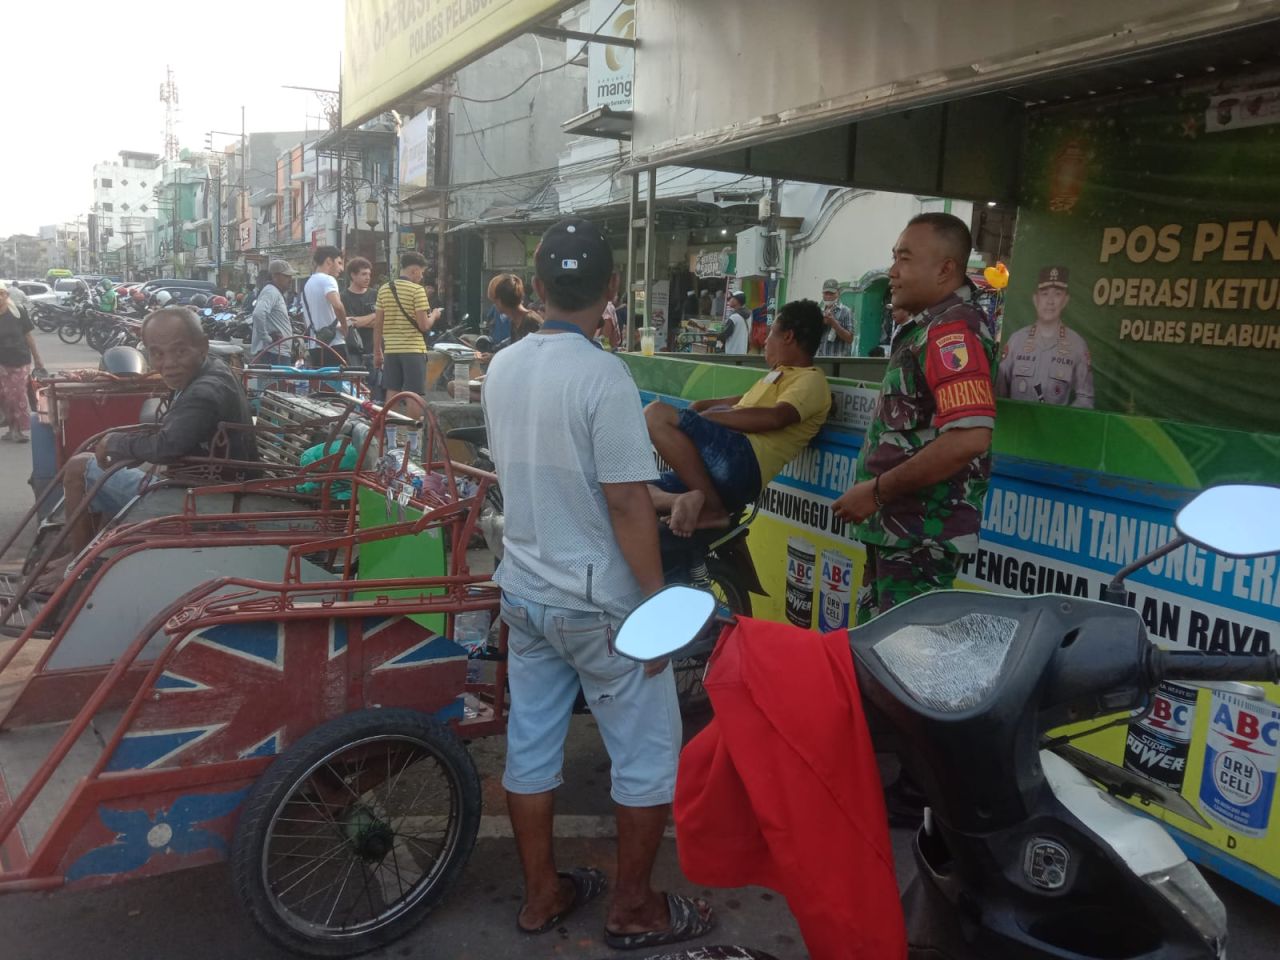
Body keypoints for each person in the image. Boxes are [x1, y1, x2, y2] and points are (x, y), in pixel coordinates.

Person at [482, 217, 715, 950]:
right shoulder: (604, 376)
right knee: (646, 756)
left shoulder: (503, 366)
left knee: (531, 746)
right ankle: (634, 908)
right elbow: (618, 500)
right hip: (599, 606)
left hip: (524, 592)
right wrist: (655, 613)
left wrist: (661, 499)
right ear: (612, 291)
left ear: (540, 289)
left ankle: (542, 894)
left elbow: (572, 481)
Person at [833, 212, 996, 623]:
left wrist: (876, 492)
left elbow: (969, 438)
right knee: (875, 660)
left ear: (945, 269)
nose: (892, 271)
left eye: (904, 259)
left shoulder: (953, 334)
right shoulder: (929, 329)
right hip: (898, 534)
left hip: (920, 538)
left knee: (901, 670)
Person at [36, 308, 258, 584]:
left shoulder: (204, 391)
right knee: (97, 469)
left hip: (203, 499)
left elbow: (166, 447)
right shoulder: (208, 370)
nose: (169, 363)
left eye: (179, 351)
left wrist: (114, 442)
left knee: (79, 467)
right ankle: (85, 554)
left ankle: (77, 564)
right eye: (157, 354)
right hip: (203, 486)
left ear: (201, 346)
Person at [646, 299, 831, 536]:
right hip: (719, 461)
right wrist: (701, 409)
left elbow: (776, 418)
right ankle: (682, 501)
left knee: (655, 414)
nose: (765, 341)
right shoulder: (778, 374)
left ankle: (713, 510)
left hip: (743, 460)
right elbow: (741, 402)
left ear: (788, 337)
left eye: (771, 334)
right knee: (636, 492)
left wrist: (708, 419)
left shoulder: (810, 379)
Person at [996, 265, 1094, 407]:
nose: (1050, 301)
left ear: (1065, 300)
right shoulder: (1016, 341)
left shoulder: (1077, 344)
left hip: (1055, 427)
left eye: (1058, 294)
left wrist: (1061, 421)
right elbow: (999, 392)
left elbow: (1086, 398)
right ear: (1035, 299)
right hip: (1016, 425)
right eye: (1045, 293)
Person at [373, 252, 440, 449]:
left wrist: (377, 351)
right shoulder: (417, 291)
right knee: (413, 394)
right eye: (421, 273)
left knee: (392, 392)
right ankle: (413, 443)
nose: (421, 277)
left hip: (391, 350)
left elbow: (378, 324)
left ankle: (391, 442)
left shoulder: (384, 290)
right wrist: (434, 315)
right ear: (414, 270)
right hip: (413, 350)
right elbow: (424, 325)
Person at [0, 284, 44, 443]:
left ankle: (18, 430)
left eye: (1, 294)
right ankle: (11, 428)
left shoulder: (18, 313)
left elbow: (29, 337)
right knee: (4, 397)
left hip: (20, 360)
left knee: (16, 395)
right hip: (1, 362)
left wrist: (38, 358)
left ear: (6, 295)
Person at [301, 245, 349, 366]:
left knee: (321, 383)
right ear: (329, 261)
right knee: (338, 383)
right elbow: (338, 306)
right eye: (339, 263)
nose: (341, 268)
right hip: (334, 345)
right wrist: (344, 327)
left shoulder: (307, 284)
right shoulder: (328, 280)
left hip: (315, 345)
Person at [250, 260, 295, 366]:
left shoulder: (274, 291)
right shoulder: (271, 291)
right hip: (274, 353)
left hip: (278, 352)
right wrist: (267, 338)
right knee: (275, 383)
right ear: (275, 276)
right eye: (286, 276)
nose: (290, 279)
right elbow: (258, 313)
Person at [341, 256, 379, 367]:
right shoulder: (343, 297)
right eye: (363, 274)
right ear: (353, 275)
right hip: (353, 351)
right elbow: (349, 323)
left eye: (369, 274)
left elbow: (382, 322)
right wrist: (374, 315)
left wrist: (359, 322)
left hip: (375, 349)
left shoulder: (376, 294)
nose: (368, 278)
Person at [816, 278, 854, 357]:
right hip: (821, 358)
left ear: (838, 293)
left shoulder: (846, 311)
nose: (828, 296)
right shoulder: (818, 311)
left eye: (832, 293)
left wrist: (833, 323)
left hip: (838, 360)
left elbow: (849, 339)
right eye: (826, 293)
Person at [717, 290, 750, 355]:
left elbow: (724, 334)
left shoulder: (734, 317)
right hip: (742, 351)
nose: (729, 300)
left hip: (731, 352)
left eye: (731, 298)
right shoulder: (749, 316)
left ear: (737, 301)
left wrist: (716, 336)